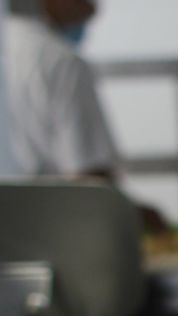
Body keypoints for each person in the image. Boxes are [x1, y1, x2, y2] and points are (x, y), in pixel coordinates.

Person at [2, 0, 118, 181]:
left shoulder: (12, 44)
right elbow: (92, 179)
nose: (92, 10)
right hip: (49, 206)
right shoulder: (62, 62)